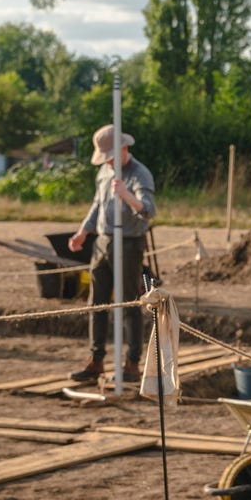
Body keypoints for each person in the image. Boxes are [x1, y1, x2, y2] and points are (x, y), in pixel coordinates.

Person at [69, 124, 156, 383]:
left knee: (129, 302)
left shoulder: (140, 174)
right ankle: (96, 360)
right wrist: (83, 231)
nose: (107, 162)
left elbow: (148, 210)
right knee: (96, 303)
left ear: (124, 149)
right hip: (102, 242)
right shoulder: (104, 173)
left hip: (129, 244)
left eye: (110, 156)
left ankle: (132, 363)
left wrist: (127, 195)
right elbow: (97, 204)